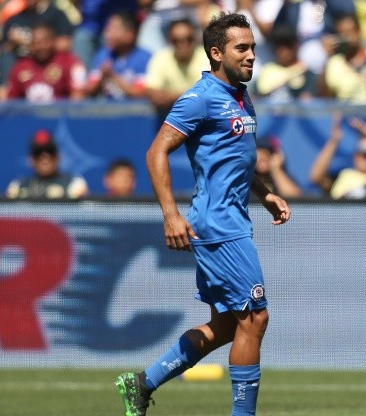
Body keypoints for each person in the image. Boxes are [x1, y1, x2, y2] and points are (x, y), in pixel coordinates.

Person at [115, 12, 291, 416]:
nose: (250, 56)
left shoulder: (241, 94)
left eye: (252, 48)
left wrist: (265, 195)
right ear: (216, 52)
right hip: (217, 225)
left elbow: (236, 162)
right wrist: (170, 216)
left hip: (234, 220)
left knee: (229, 326)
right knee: (256, 319)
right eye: (241, 48)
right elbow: (156, 151)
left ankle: (142, 383)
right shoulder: (200, 97)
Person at [145, 18, 210, 121]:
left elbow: (205, 92)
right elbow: (151, 88)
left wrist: (171, 97)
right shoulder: (161, 57)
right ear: (169, 41)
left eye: (188, 39)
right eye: (176, 41)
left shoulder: (206, 57)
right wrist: (157, 95)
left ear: (195, 39)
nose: (182, 44)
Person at [3, 22, 87, 102]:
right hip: (29, 116)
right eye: (37, 43)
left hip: (61, 115)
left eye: (46, 42)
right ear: (31, 45)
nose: (42, 47)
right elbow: (11, 101)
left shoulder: (69, 62)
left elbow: (77, 98)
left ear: (54, 41)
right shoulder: (20, 67)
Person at [85, 10, 151, 100]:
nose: (107, 33)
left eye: (113, 28)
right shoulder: (103, 55)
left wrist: (112, 76)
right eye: (108, 28)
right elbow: (89, 90)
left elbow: (140, 93)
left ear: (129, 35)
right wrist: (102, 77)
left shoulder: (145, 58)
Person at [6, 129, 89, 199]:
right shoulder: (19, 187)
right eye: (38, 153)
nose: (45, 159)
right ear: (30, 159)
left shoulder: (73, 184)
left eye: (50, 152)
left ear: (59, 156)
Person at [319, 13, 366, 104]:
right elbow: (325, 96)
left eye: (350, 32)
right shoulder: (334, 63)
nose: (347, 37)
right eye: (343, 34)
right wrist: (327, 57)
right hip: (346, 115)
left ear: (359, 31)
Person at [254, 24, 316, 103]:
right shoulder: (266, 70)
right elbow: (258, 99)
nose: (283, 51)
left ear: (296, 45)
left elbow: (307, 101)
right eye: (279, 45)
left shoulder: (306, 72)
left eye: (288, 45)